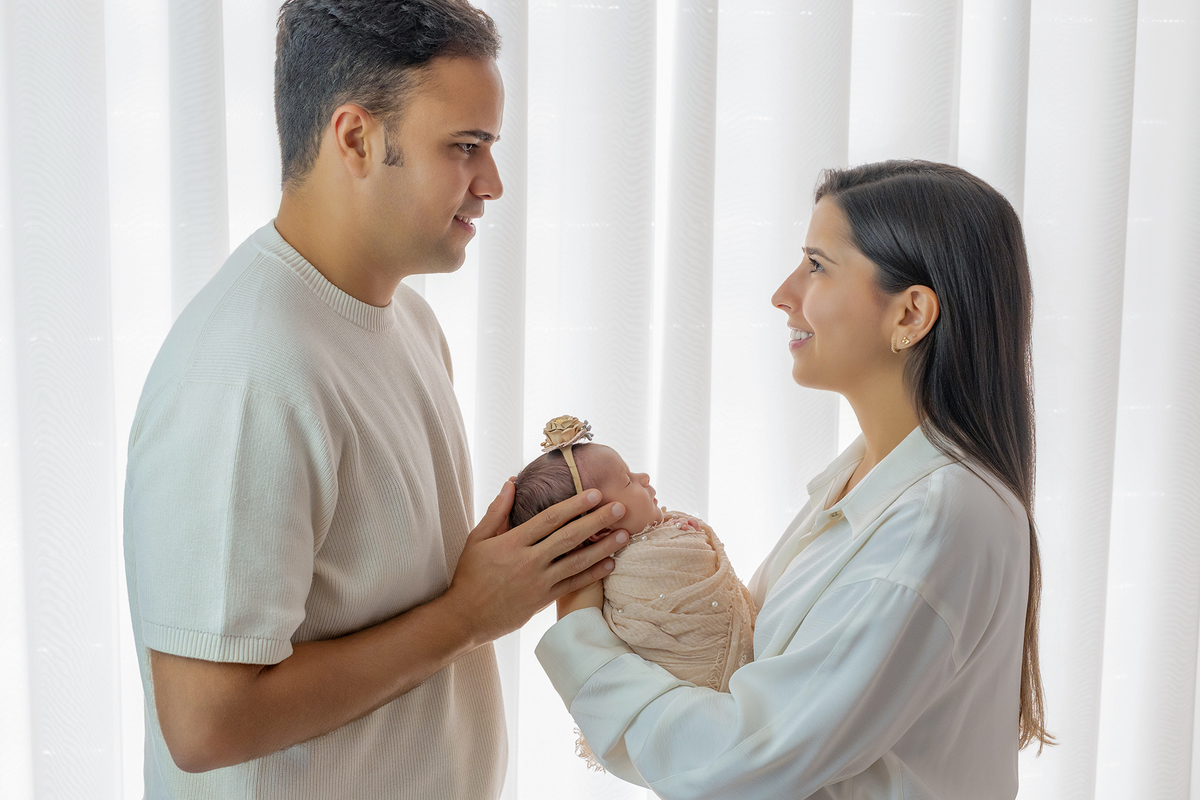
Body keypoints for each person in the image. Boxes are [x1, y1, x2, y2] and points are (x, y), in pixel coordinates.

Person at [122, 2, 628, 799]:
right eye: (466, 147)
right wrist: (467, 617)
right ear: (356, 138)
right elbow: (204, 723)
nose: (492, 184)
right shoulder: (246, 373)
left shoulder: (410, 324)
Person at [536, 160, 1053, 799]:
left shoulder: (936, 518)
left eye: (816, 265)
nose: (784, 293)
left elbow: (741, 762)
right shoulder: (866, 479)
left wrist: (580, 628)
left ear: (911, 313)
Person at [510, 417, 756, 723]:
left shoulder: (661, 533)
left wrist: (681, 530)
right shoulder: (628, 569)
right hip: (702, 706)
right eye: (627, 480)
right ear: (598, 528)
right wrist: (687, 538)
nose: (643, 477)